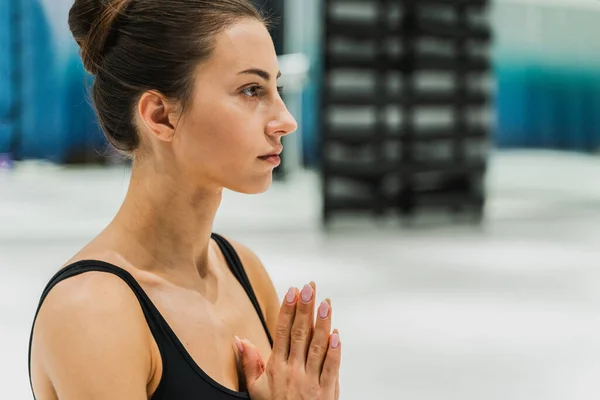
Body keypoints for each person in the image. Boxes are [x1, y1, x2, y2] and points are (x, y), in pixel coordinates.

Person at [27, 0, 342, 399]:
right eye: (251, 90)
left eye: (275, 88)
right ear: (160, 116)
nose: (285, 120)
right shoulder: (91, 310)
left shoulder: (243, 270)